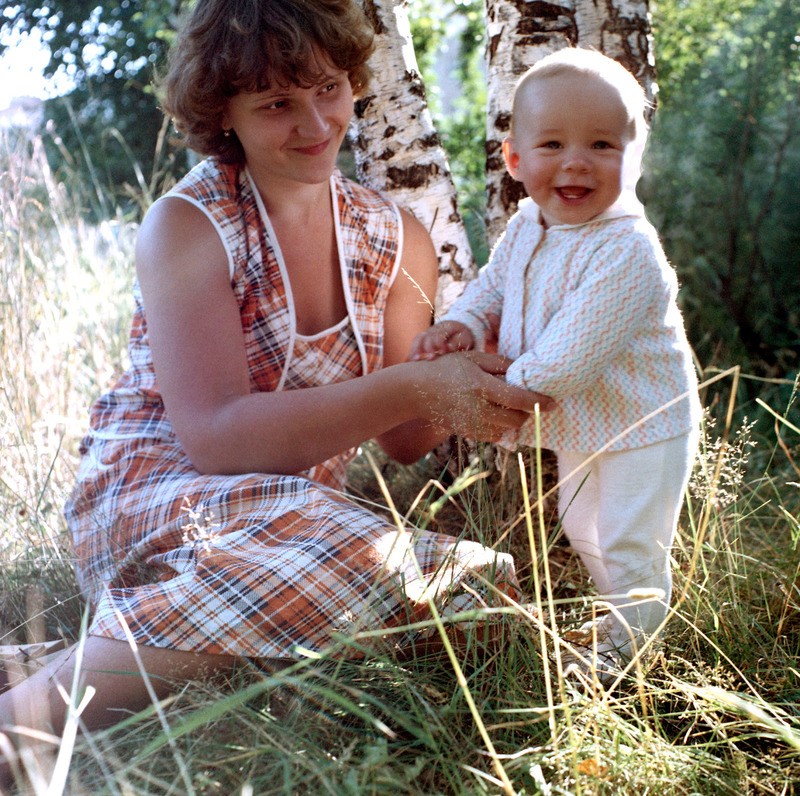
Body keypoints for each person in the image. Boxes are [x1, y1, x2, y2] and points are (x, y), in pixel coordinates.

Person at [0, 0, 553, 773]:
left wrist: (462, 365)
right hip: (155, 492)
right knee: (354, 559)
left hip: (288, 524)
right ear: (223, 114)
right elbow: (216, 436)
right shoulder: (191, 223)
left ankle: (77, 658)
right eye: (276, 104)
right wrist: (414, 387)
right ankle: (16, 733)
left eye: (328, 88)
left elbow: (404, 444)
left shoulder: (395, 237)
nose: (315, 123)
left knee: (479, 587)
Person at [411, 47, 701, 675]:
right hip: (583, 424)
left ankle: (626, 659)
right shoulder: (529, 224)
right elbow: (493, 285)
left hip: (643, 424)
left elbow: (561, 365)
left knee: (629, 541)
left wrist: (478, 394)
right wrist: (462, 322)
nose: (575, 161)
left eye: (602, 144)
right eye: (551, 145)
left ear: (635, 160)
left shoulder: (629, 251)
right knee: (584, 527)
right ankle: (623, 621)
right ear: (515, 159)